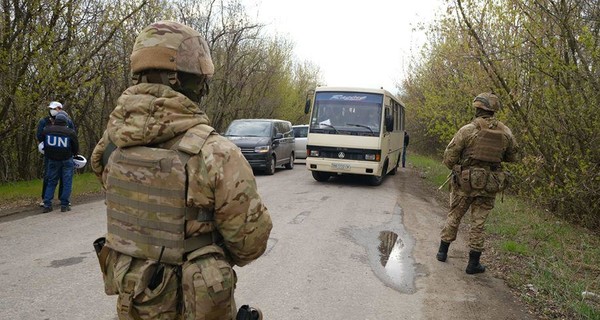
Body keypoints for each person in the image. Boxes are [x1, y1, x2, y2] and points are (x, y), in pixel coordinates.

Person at [90, 20, 272, 319]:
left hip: (135, 296)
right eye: (200, 77)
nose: (205, 85)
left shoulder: (110, 144)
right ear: (178, 78)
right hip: (194, 304)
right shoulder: (216, 153)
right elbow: (249, 243)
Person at [435, 92, 519, 274]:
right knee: (478, 223)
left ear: (477, 108)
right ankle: (473, 264)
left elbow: (449, 158)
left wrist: (461, 167)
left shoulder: (467, 130)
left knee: (455, 215)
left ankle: (442, 252)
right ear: (494, 110)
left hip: (464, 183)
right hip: (489, 184)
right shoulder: (506, 132)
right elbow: (512, 157)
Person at [36, 101, 76, 207]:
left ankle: (63, 199)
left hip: (65, 153)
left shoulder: (68, 121)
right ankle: (45, 199)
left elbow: (73, 135)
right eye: (51, 108)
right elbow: (40, 136)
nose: (52, 110)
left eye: (54, 108)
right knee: (49, 176)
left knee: (64, 177)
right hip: (50, 153)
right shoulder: (44, 121)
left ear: (60, 109)